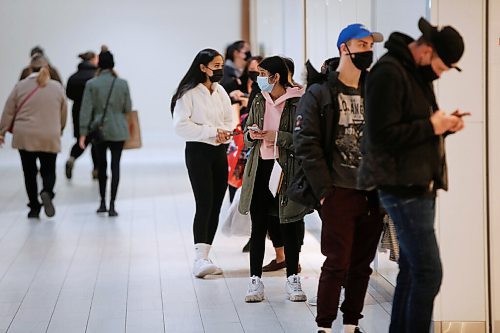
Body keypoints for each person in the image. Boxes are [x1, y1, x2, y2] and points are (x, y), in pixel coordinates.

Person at [358, 18, 466, 333]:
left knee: (411, 269)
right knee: (428, 272)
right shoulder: (389, 73)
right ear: (427, 50)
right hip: (402, 187)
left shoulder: (413, 73)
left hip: (418, 183)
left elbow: (415, 126)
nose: (441, 73)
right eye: (442, 66)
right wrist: (433, 126)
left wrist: (444, 125)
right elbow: (381, 136)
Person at [292, 24, 384, 333]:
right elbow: (305, 142)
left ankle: (351, 324)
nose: (367, 50)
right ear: (344, 48)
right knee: (336, 262)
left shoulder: (375, 89)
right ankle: (325, 326)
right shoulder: (321, 92)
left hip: (372, 192)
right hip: (338, 191)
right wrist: (323, 191)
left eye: (370, 44)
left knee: (362, 265)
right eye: (361, 44)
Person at [238, 56, 308, 303]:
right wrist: (252, 134)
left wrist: (277, 136)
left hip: (286, 169)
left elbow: (304, 139)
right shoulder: (258, 99)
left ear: (275, 77)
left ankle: (292, 278)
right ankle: (254, 280)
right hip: (260, 168)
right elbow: (247, 137)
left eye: (262, 73)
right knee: (258, 226)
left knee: (288, 224)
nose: (259, 78)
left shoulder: (298, 102)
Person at [171, 48, 233, 278]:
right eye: (216, 66)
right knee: (204, 202)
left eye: (221, 65)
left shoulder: (220, 91)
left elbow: (229, 118)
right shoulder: (188, 93)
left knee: (217, 203)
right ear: (203, 67)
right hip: (198, 151)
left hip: (219, 151)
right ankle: (199, 258)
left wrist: (223, 132)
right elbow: (180, 126)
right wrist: (211, 132)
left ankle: (206, 254)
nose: (220, 70)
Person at [0, 54, 67, 218]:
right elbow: (63, 113)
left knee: (29, 173)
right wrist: (60, 129)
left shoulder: (20, 86)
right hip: (49, 134)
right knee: (48, 170)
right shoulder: (57, 87)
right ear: (47, 68)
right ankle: (47, 192)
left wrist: (1, 132)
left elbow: (8, 111)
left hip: (25, 135)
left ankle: (34, 208)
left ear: (30, 68)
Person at [79, 46, 132, 217]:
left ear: (99, 65)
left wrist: (83, 133)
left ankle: (101, 202)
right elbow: (127, 107)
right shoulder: (122, 83)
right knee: (115, 166)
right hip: (118, 130)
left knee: (101, 167)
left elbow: (86, 110)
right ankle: (112, 205)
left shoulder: (92, 84)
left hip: (98, 131)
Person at [65, 51, 98, 180]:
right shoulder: (96, 76)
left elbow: (68, 94)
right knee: (95, 141)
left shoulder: (73, 77)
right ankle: (96, 169)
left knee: (81, 140)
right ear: (93, 60)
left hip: (77, 112)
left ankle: (72, 158)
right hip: (94, 112)